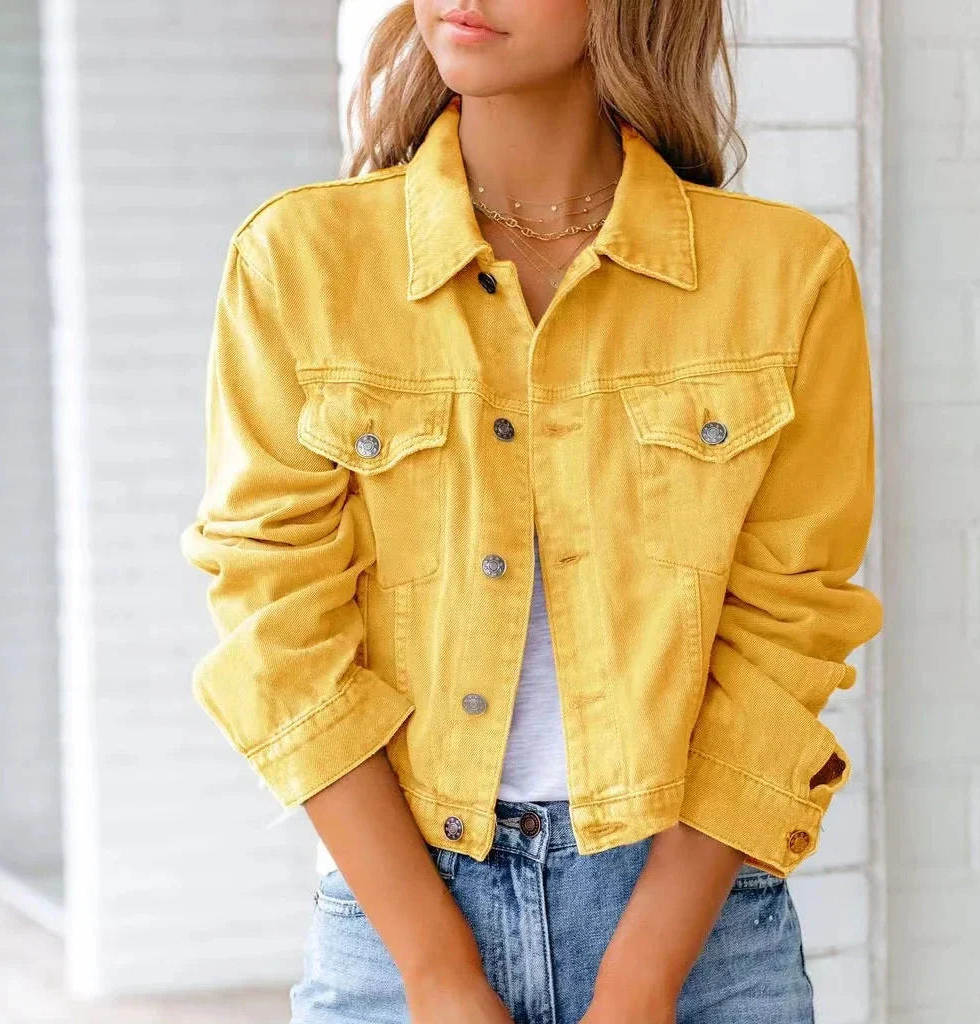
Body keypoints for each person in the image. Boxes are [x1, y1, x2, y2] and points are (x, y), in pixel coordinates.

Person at [179, 1, 884, 1022]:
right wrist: (434, 969)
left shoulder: (781, 276)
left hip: (696, 927)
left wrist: (641, 979)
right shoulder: (303, 259)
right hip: (398, 918)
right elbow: (275, 623)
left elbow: (790, 627)